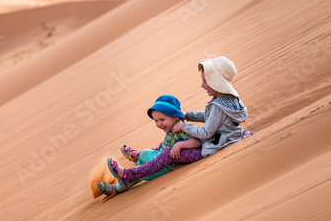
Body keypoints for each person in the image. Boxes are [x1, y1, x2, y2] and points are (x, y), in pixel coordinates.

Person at [102, 56, 254, 195]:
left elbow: (207, 133)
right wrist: (189, 115)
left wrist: (184, 127)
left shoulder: (217, 106)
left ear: (216, 81)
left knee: (167, 154)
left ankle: (130, 174)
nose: (202, 85)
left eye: (205, 81)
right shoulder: (226, 100)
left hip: (211, 147)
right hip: (221, 139)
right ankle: (131, 171)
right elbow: (210, 118)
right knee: (163, 149)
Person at [97, 95, 202, 196]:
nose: (159, 124)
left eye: (162, 120)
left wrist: (180, 145)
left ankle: (118, 187)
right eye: (156, 120)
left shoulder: (184, 128)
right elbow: (167, 144)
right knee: (145, 153)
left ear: (175, 116)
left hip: (166, 166)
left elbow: (197, 142)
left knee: (142, 172)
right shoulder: (171, 128)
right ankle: (138, 158)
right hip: (160, 158)